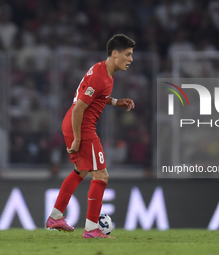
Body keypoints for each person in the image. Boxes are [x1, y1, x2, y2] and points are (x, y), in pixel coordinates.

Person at [46, 34, 135, 238]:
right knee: (101, 175)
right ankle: (92, 228)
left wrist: (116, 102)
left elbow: (96, 97)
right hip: (81, 126)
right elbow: (79, 109)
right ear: (115, 53)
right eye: (127, 54)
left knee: (81, 170)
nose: (130, 59)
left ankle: (55, 216)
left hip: (74, 123)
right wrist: (78, 138)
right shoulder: (100, 77)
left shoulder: (102, 70)